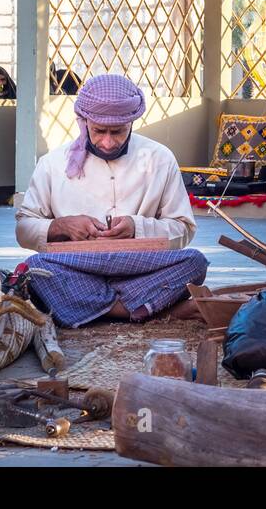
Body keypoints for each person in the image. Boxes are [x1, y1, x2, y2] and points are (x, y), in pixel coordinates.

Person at [16, 73, 205, 325]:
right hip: (79, 266)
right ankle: (153, 309)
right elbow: (24, 229)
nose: (107, 142)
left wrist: (136, 227)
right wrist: (60, 226)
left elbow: (183, 229)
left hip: (139, 266)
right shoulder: (52, 164)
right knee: (35, 269)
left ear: (132, 123)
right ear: (84, 123)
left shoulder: (160, 158)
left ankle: (91, 306)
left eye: (117, 132)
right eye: (98, 131)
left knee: (195, 262)